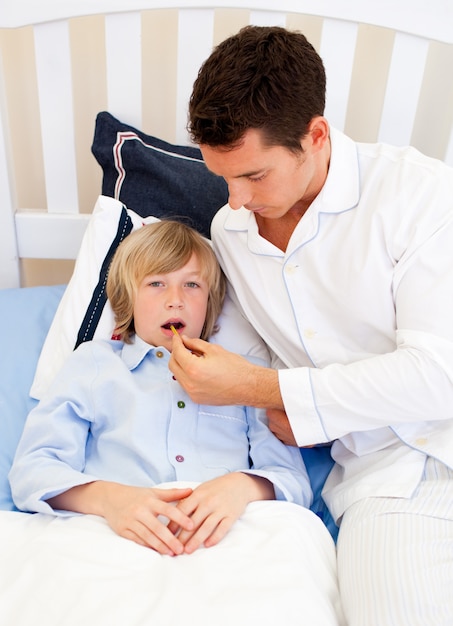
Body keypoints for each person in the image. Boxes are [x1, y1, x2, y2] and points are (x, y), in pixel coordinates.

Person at [168, 25, 453, 626]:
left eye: (253, 175)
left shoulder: (419, 196)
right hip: (387, 479)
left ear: (315, 135)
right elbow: (253, 363)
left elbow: (437, 377)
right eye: (223, 176)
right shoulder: (231, 233)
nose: (235, 200)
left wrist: (265, 390)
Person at [9, 220, 312, 558]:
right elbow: (32, 471)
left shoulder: (245, 375)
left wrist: (240, 487)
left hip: (226, 538)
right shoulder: (94, 364)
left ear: (210, 303)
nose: (175, 300)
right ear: (128, 301)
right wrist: (111, 500)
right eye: (156, 283)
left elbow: (293, 481)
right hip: (112, 535)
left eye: (192, 285)